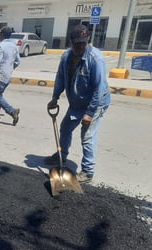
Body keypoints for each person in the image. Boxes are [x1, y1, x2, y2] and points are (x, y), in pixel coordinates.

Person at [44, 24, 111, 183]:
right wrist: (55, 97)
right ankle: (62, 156)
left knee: (86, 136)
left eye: (84, 42)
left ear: (87, 41)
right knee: (65, 127)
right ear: (71, 42)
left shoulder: (95, 58)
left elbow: (99, 88)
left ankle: (88, 171)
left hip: (96, 103)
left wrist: (89, 113)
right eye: (77, 43)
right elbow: (61, 77)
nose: (81, 46)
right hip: (77, 102)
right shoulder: (66, 57)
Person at [0, 26, 21, 125]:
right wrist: (9, 69)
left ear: (1, 35)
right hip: (8, 75)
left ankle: (12, 111)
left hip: (1, 75)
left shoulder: (0, 46)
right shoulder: (14, 46)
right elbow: (17, 61)